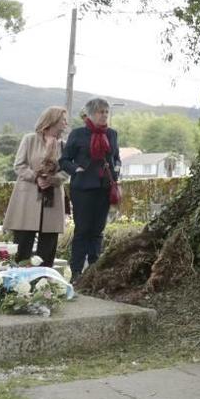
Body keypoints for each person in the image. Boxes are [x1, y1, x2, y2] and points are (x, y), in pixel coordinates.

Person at [59, 98, 120, 278]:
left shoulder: (112, 134)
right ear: (91, 114)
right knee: (82, 230)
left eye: (106, 112)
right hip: (83, 188)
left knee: (98, 230)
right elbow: (64, 160)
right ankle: (76, 271)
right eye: (101, 112)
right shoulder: (78, 134)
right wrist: (76, 170)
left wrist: (116, 168)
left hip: (104, 187)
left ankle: (94, 270)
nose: (105, 115)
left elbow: (116, 157)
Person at [2, 106, 70, 267]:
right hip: (28, 198)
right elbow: (19, 165)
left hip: (52, 200)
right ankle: (18, 282)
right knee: (22, 242)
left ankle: (44, 283)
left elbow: (67, 171)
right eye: (63, 119)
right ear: (52, 120)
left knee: (48, 244)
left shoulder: (64, 145)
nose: (66, 123)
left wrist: (53, 179)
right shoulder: (29, 139)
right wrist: (36, 178)